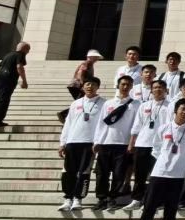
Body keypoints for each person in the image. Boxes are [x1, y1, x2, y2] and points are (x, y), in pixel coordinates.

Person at [132, 98, 185, 220]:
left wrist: (178, 159)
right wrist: (165, 159)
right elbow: (156, 148)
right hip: (159, 171)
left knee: (171, 206)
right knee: (150, 205)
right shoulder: (164, 128)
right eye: (182, 109)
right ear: (176, 110)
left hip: (178, 173)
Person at [92, 75, 138, 211]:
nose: (125, 87)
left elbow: (136, 126)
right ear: (118, 85)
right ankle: (101, 198)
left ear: (131, 87)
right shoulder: (108, 103)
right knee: (102, 173)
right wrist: (97, 141)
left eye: (128, 84)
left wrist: (132, 143)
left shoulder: (136, 104)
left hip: (123, 144)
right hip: (106, 143)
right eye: (123, 84)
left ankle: (113, 198)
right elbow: (101, 123)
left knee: (119, 173)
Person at [58, 77, 104, 212]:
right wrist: (63, 143)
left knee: (84, 171)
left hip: (89, 142)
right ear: (83, 87)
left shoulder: (104, 103)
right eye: (87, 84)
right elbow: (68, 123)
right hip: (72, 141)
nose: (90, 87)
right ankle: (68, 198)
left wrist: (98, 142)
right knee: (68, 171)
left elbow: (103, 125)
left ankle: (78, 198)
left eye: (93, 85)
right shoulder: (76, 103)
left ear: (97, 87)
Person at [124, 79, 170, 212]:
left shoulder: (170, 106)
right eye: (155, 87)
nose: (157, 90)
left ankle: (153, 200)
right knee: (140, 174)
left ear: (166, 90)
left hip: (159, 145)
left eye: (160, 87)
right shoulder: (144, 105)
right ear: (151, 90)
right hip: (142, 143)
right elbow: (137, 125)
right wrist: (132, 142)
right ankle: (136, 199)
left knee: (156, 175)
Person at [0, 42, 29, 132]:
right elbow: (19, 66)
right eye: (28, 50)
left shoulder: (8, 55)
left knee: (3, 102)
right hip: (7, 82)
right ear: (25, 49)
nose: (28, 52)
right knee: (2, 102)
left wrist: (1, 76)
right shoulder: (20, 54)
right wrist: (24, 81)